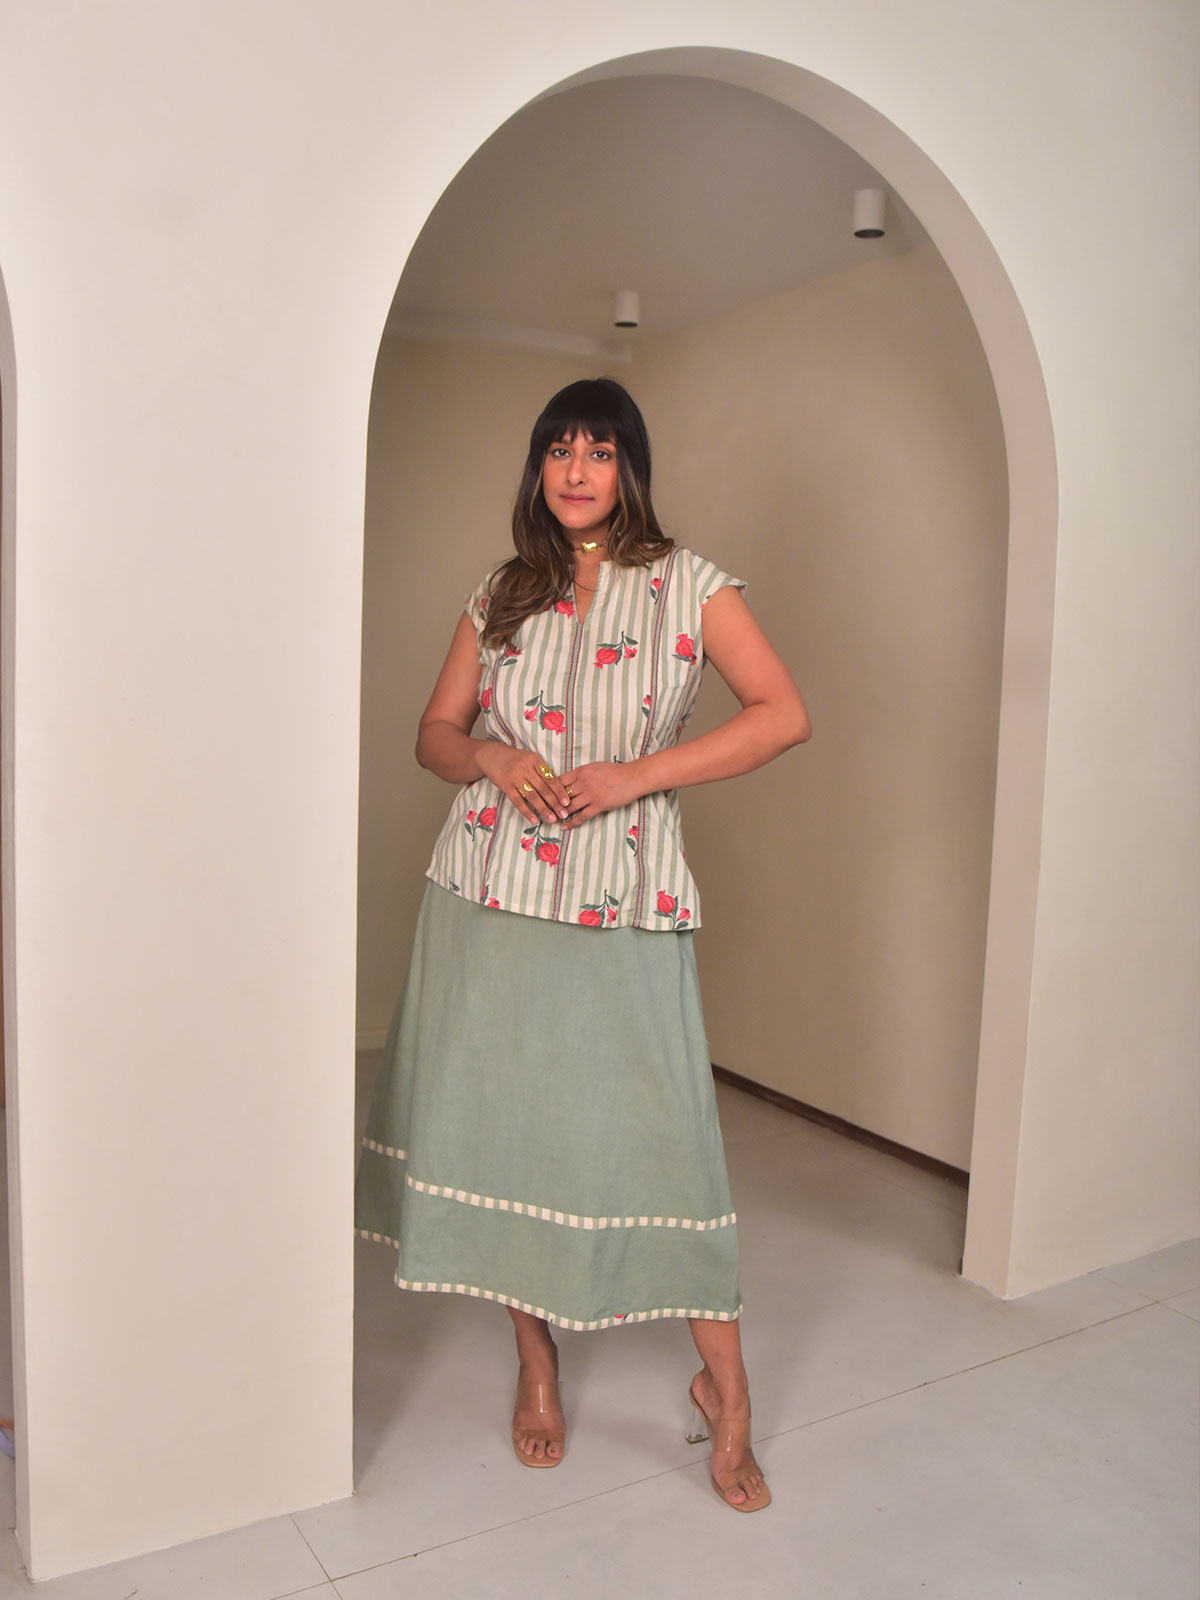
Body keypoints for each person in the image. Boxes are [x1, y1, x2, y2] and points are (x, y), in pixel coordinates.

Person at [354, 377, 811, 1512]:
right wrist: (491, 757)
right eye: (558, 449)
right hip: (489, 890)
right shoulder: (501, 592)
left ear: (629, 468)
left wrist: (635, 777)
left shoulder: (692, 585)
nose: (575, 470)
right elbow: (434, 734)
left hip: (625, 894)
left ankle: (728, 1393)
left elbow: (781, 715)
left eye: (599, 451)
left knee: (667, 1140)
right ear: (538, 468)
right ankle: (537, 1362)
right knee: (510, 1132)